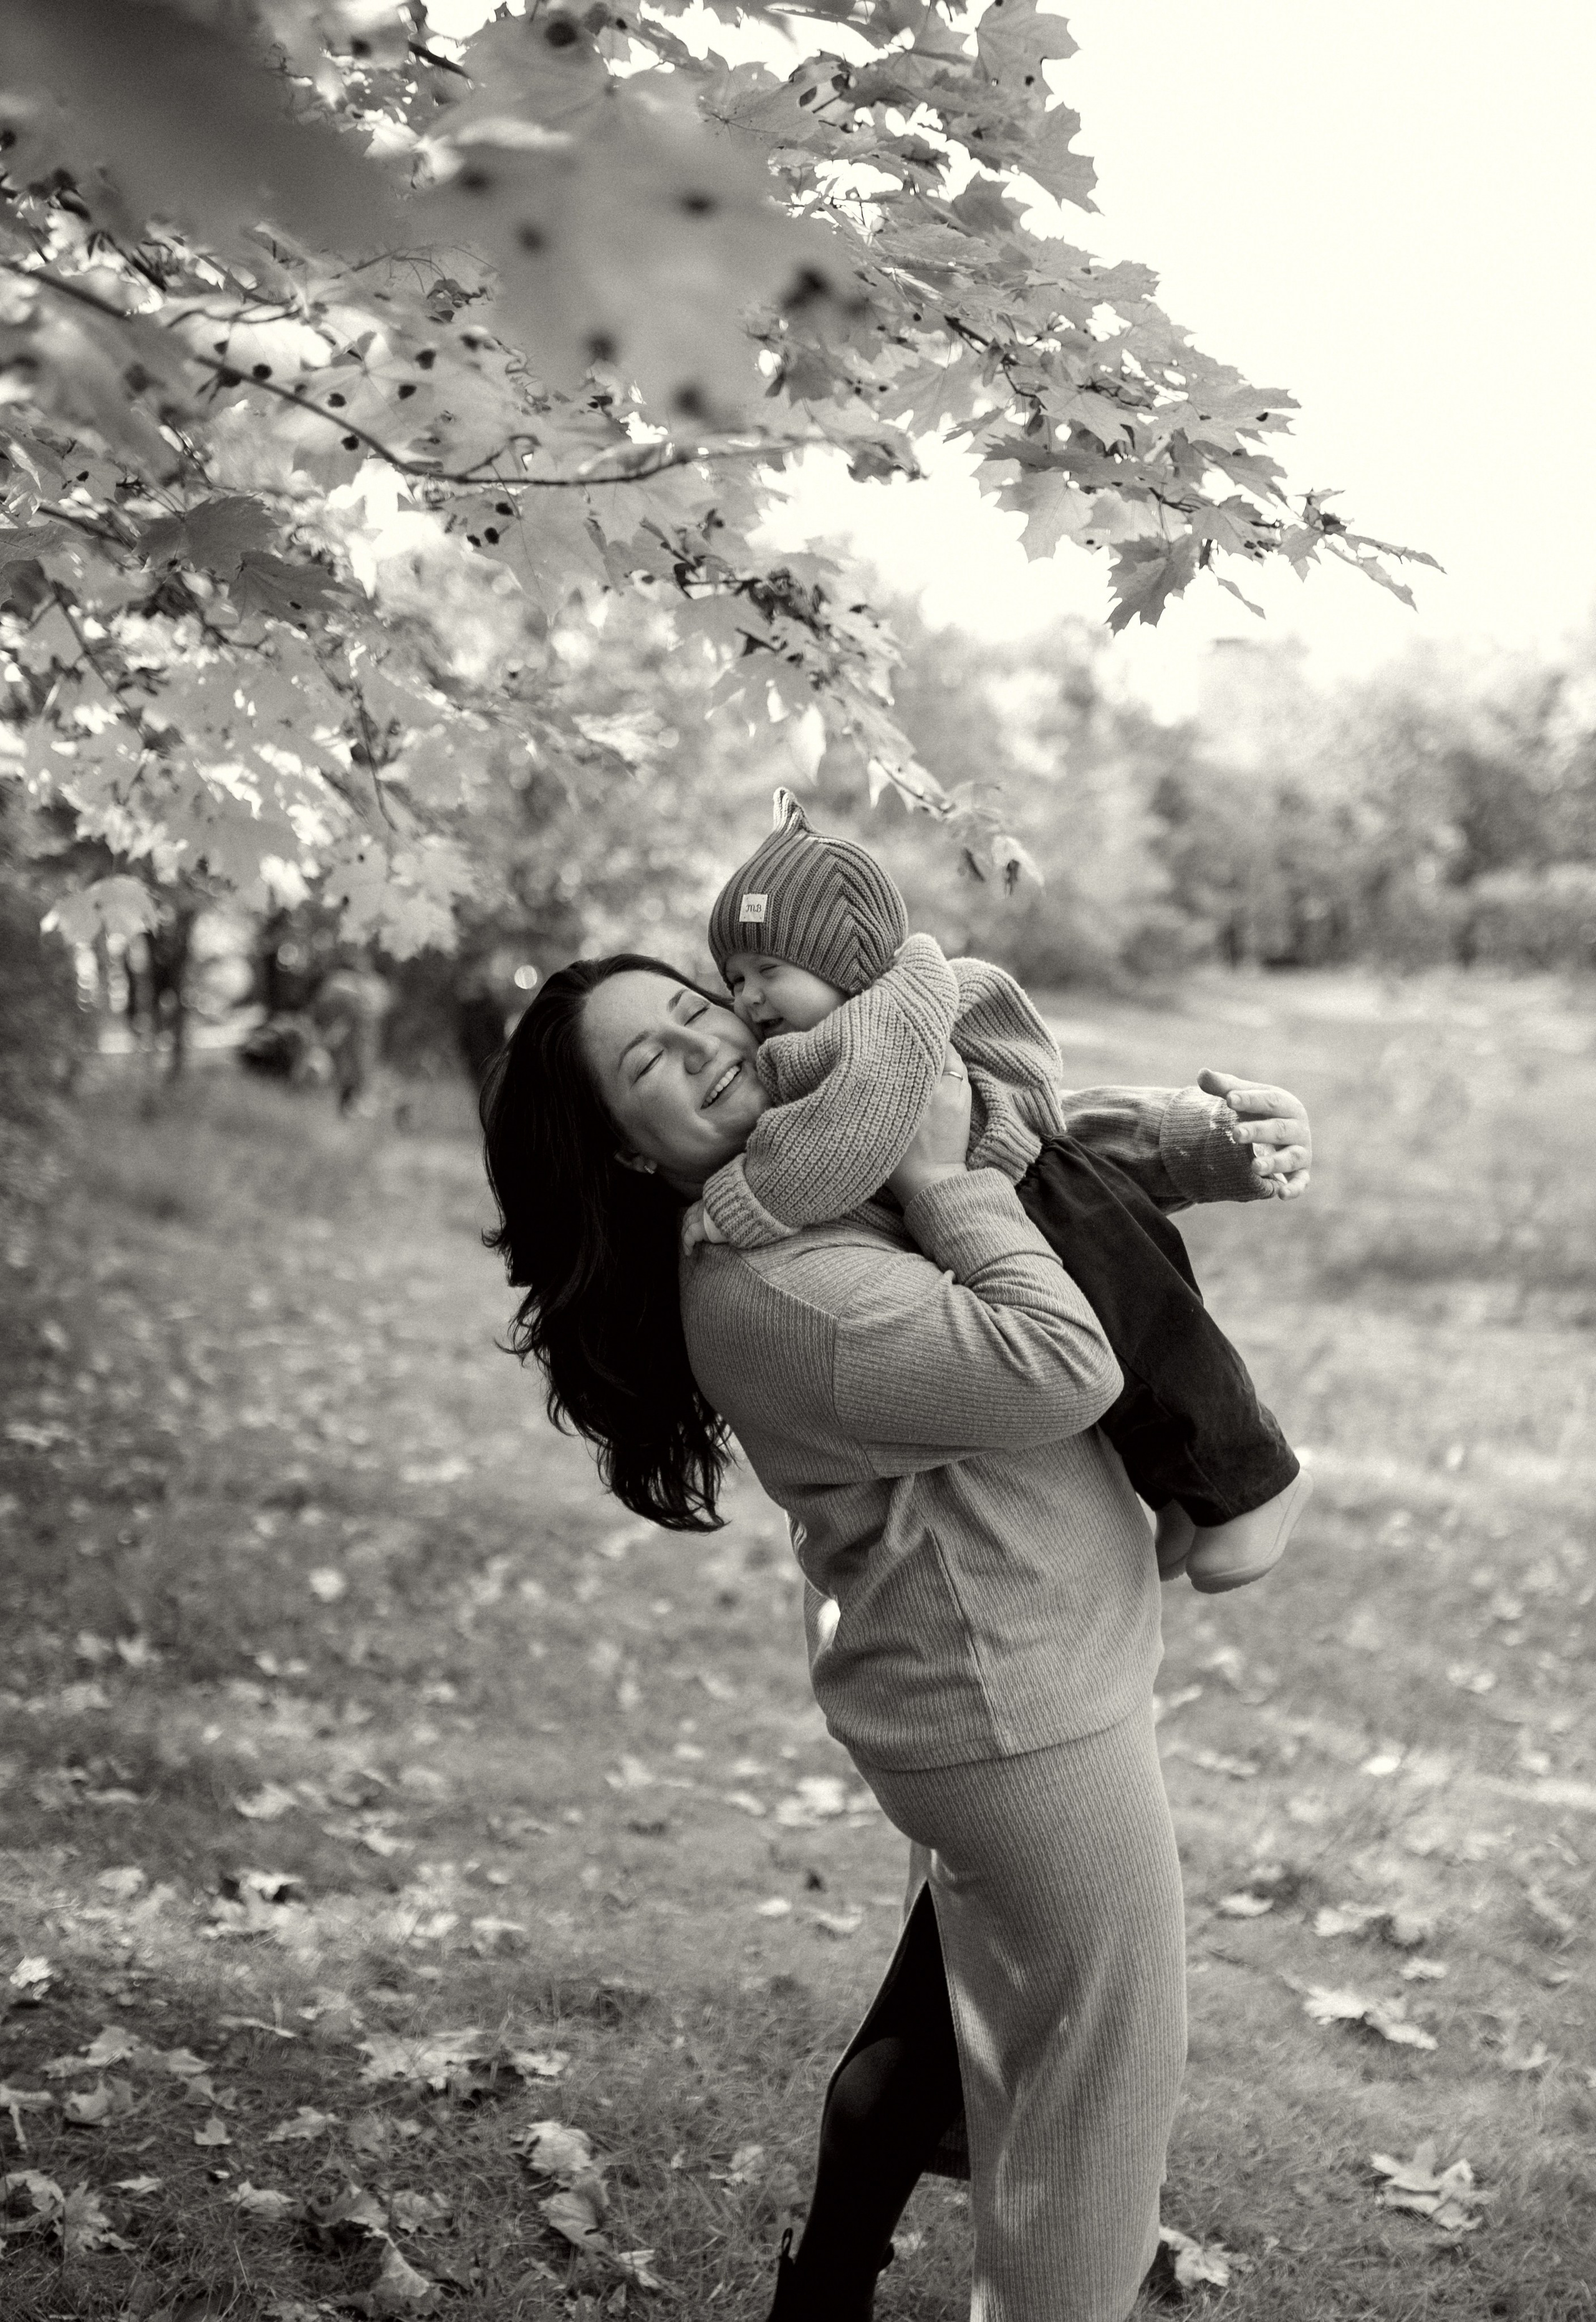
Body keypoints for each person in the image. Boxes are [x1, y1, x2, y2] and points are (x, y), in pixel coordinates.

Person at [479, 951, 1312, 2322]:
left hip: (1004, 1690)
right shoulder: (768, 1284)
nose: (704, 1050)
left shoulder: (808, 1166)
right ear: (627, 1156)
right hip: (1022, 1725)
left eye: (696, 1011)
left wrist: (1203, 1140)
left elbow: (996, 1122)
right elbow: (1060, 1357)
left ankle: (819, 2294)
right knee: (1088, 2119)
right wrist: (943, 1185)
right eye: (650, 1067)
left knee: (939, 2026)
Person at [687, 789, 1310, 1594]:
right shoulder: (842, 1036)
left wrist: (739, 1202)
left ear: (846, 960)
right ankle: (1188, 1495)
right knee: (1132, 1376)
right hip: (1025, 1193)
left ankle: (1257, 1483)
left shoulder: (880, 1029)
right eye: (734, 977)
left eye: (770, 969)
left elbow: (836, 1145)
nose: (747, 998)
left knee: (1158, 1346)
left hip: (1052, 1202)